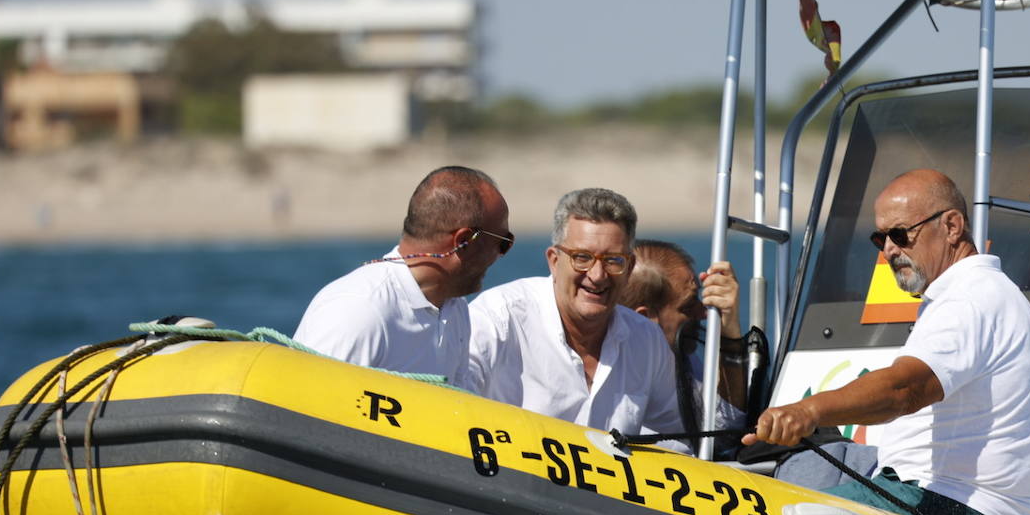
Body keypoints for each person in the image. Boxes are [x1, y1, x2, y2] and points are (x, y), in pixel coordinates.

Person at [747, 169, 1030, 515]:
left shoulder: (971, 299)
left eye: (899, 234)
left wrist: (807, 412)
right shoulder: (973, 295)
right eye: (880, 238)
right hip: (951, 502)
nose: (889, 250)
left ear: (953, 226)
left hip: (964, 511)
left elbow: (903, 390)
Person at [467, 188, 687, 445]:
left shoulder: (646, 339)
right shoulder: (499, 317)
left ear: (629, 268)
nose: (597, 275)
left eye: (613, 261)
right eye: (582, 258)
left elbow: (676, 440)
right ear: (553, 261)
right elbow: (451, 405)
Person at [293, 166, 511, 389]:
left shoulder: (455, 309)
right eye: (503, 242)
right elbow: (298, 411)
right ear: (464, 241)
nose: (502, 255)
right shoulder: (359, 310)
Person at [620, 240, 747, 438]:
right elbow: (720, 433)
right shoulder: (625, 375)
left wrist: (729, 328)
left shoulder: (678, 352)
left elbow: (723, 422)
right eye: (688, 307)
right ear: (644, 318)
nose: (703, 312)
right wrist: (730, 340)